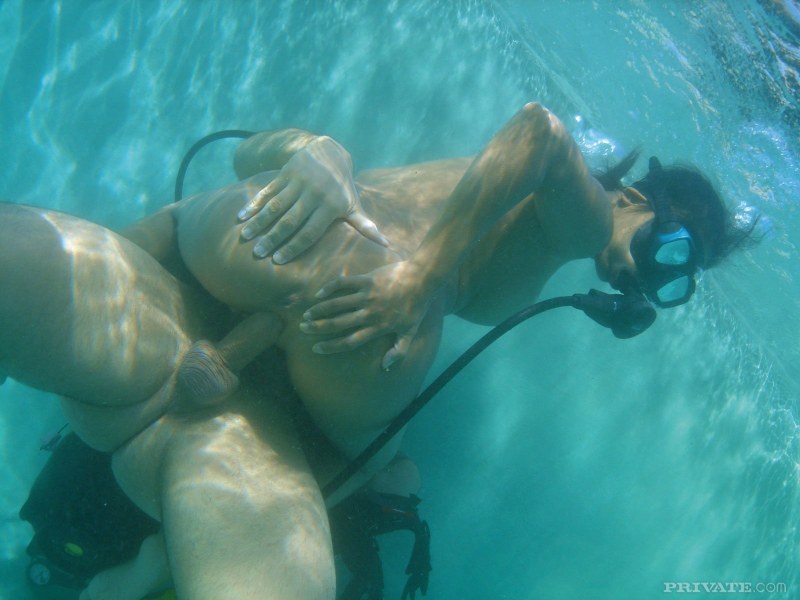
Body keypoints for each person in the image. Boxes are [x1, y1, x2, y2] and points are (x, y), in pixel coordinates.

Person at [2, 102, 754, 600]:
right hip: (366, 329)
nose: (651, 281)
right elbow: (540, 131)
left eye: (674, 286)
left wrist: (316, 151)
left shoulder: (528, 212)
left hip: (267, 232)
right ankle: (167, 549)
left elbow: (233, 172)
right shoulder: (588, 216)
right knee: (367, 462)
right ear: (637, 200)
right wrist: (422, 278)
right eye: (671, 253)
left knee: (141, 259)